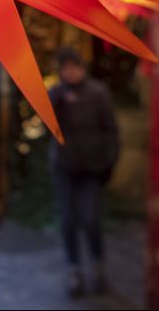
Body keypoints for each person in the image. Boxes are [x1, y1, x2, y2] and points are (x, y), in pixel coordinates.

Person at [49, 48, 120, 298]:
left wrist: (109, 161)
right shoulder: (56, 93)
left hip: (93, 169)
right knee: (68, 220)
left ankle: (97, 265)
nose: (70, 72)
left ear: (82, 67)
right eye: (65, 67)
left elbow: (110, 130)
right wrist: (58, 99)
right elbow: (48, 125)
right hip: (65, 169)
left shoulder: (98, 93)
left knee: (91, 219)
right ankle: (74, 269)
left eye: (74, 66)